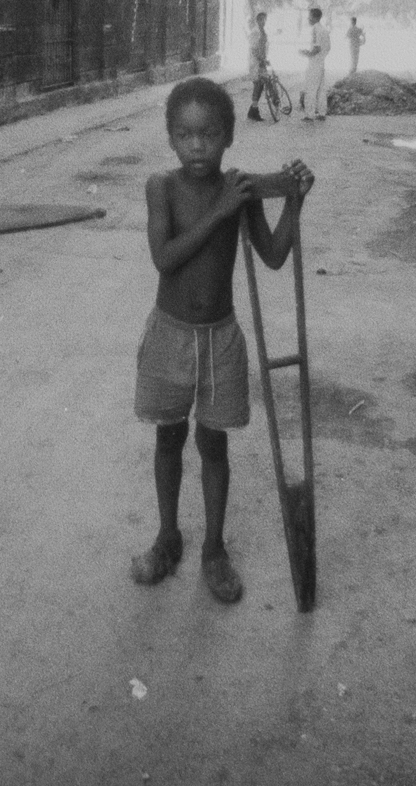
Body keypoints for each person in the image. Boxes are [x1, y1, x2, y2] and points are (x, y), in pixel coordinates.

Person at [134, 77, 314, 603]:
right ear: (170, 137)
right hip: (169, 336)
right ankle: (168, 536)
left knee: (214, 443)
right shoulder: (161, 188)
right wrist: (218, 213)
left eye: (209, 135)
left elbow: (274, 256)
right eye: (186, 135)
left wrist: (295, 203)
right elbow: (164, 258)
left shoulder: (241, 189)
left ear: (229, 136)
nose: (197, 147)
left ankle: (214, 548)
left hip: (221, 338)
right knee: (168, 437)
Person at [299, 7, 330, 120]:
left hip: (314, 64)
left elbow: (316, 48)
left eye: (310, 16)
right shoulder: (325, 30)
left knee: (311, 89)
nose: (308, 18)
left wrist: (307, 53)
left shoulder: (315, 29)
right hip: (321, 63)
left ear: (315, 17)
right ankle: (322, 113)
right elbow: (327, 48)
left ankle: (309, 115)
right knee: (321, 90)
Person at [246, 10, 269, 122]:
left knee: (261, 84)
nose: (263, 21)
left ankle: (253, 109)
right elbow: (254, 48)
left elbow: (264, 47)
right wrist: (260, 59)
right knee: (258, 84)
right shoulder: (255, 32)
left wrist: (265, 59)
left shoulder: (263, 31)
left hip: (262, 61)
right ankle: (254, 110)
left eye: (265, 19)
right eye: (261, 19)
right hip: (256, 62)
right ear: (257, 20)